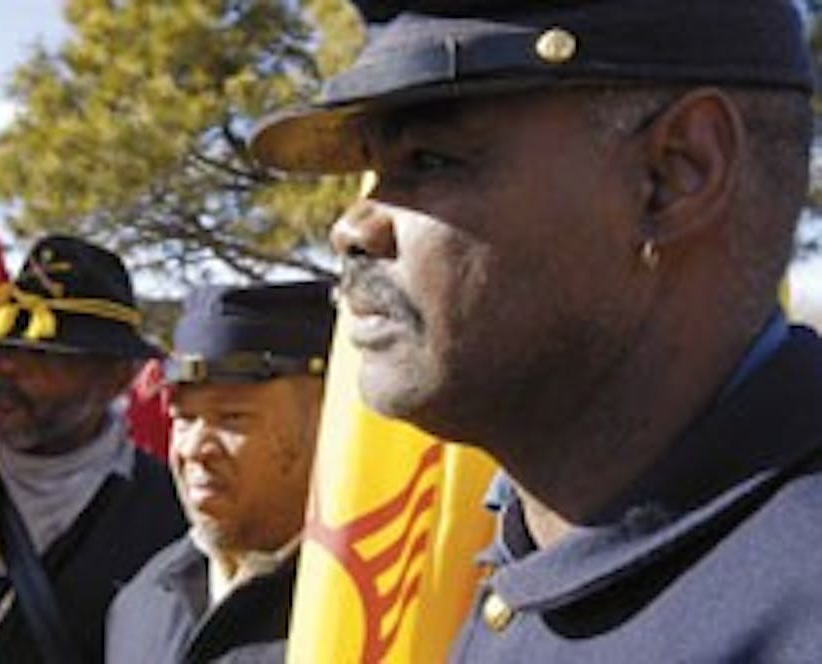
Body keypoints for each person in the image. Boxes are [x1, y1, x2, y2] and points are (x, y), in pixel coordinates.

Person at [249, 1, 822, 662]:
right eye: (374, 169)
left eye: (429, 161)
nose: (352, 228)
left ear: (674, 174)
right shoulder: (536, 554)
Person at [0, 234, 187, 663]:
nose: (6, 366)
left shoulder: (175, 513)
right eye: (5, 344)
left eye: (43, 353)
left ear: (117, 378)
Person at [106, 280, 336, 663]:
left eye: (232, 418)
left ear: (322, 424)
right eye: (184, 419)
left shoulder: (368, 613)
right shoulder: (144, 602)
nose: (195, 449)